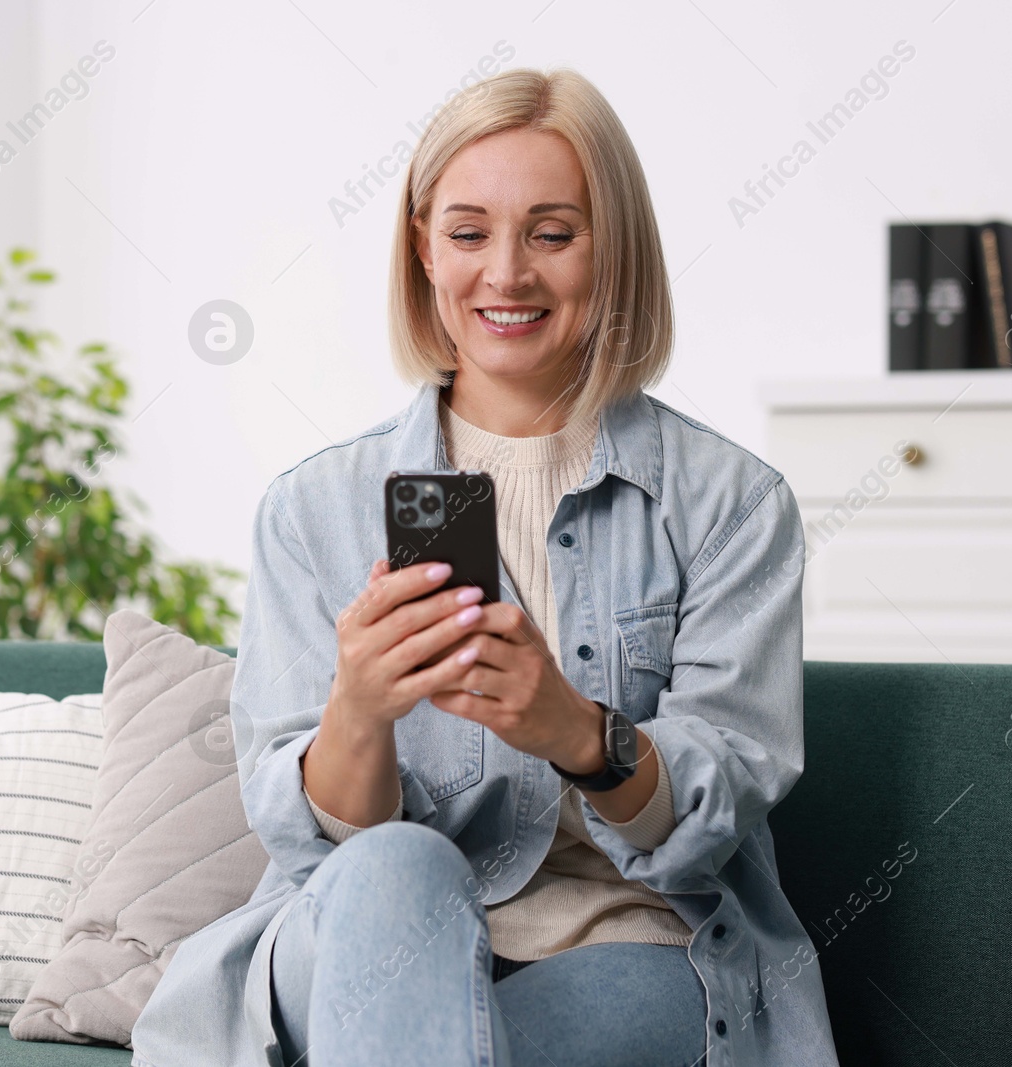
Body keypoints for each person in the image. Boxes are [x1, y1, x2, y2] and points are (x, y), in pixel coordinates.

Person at [131, 66, 838, 1067]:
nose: (505, 274)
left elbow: (713, 813)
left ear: (615, 251)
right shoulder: (313, 510)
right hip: (355, 935)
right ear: (423, 249)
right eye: (467, 234)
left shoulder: (730, 504)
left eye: (552, 233)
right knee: (401, 866)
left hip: (627, 944)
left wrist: (577, 733)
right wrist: (360, 710)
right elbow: (314, 849)